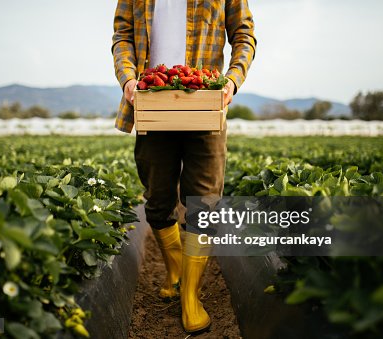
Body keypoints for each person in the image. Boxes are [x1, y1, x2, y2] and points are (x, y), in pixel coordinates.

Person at [112, 0, 256, 333]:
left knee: (203, 201)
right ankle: (175, 270)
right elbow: (122, 35)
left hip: (205, 100)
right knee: (159, 199)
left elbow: (244, 34)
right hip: (152, 99)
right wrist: (128, 80)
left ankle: (190, 296)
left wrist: (231, 81)